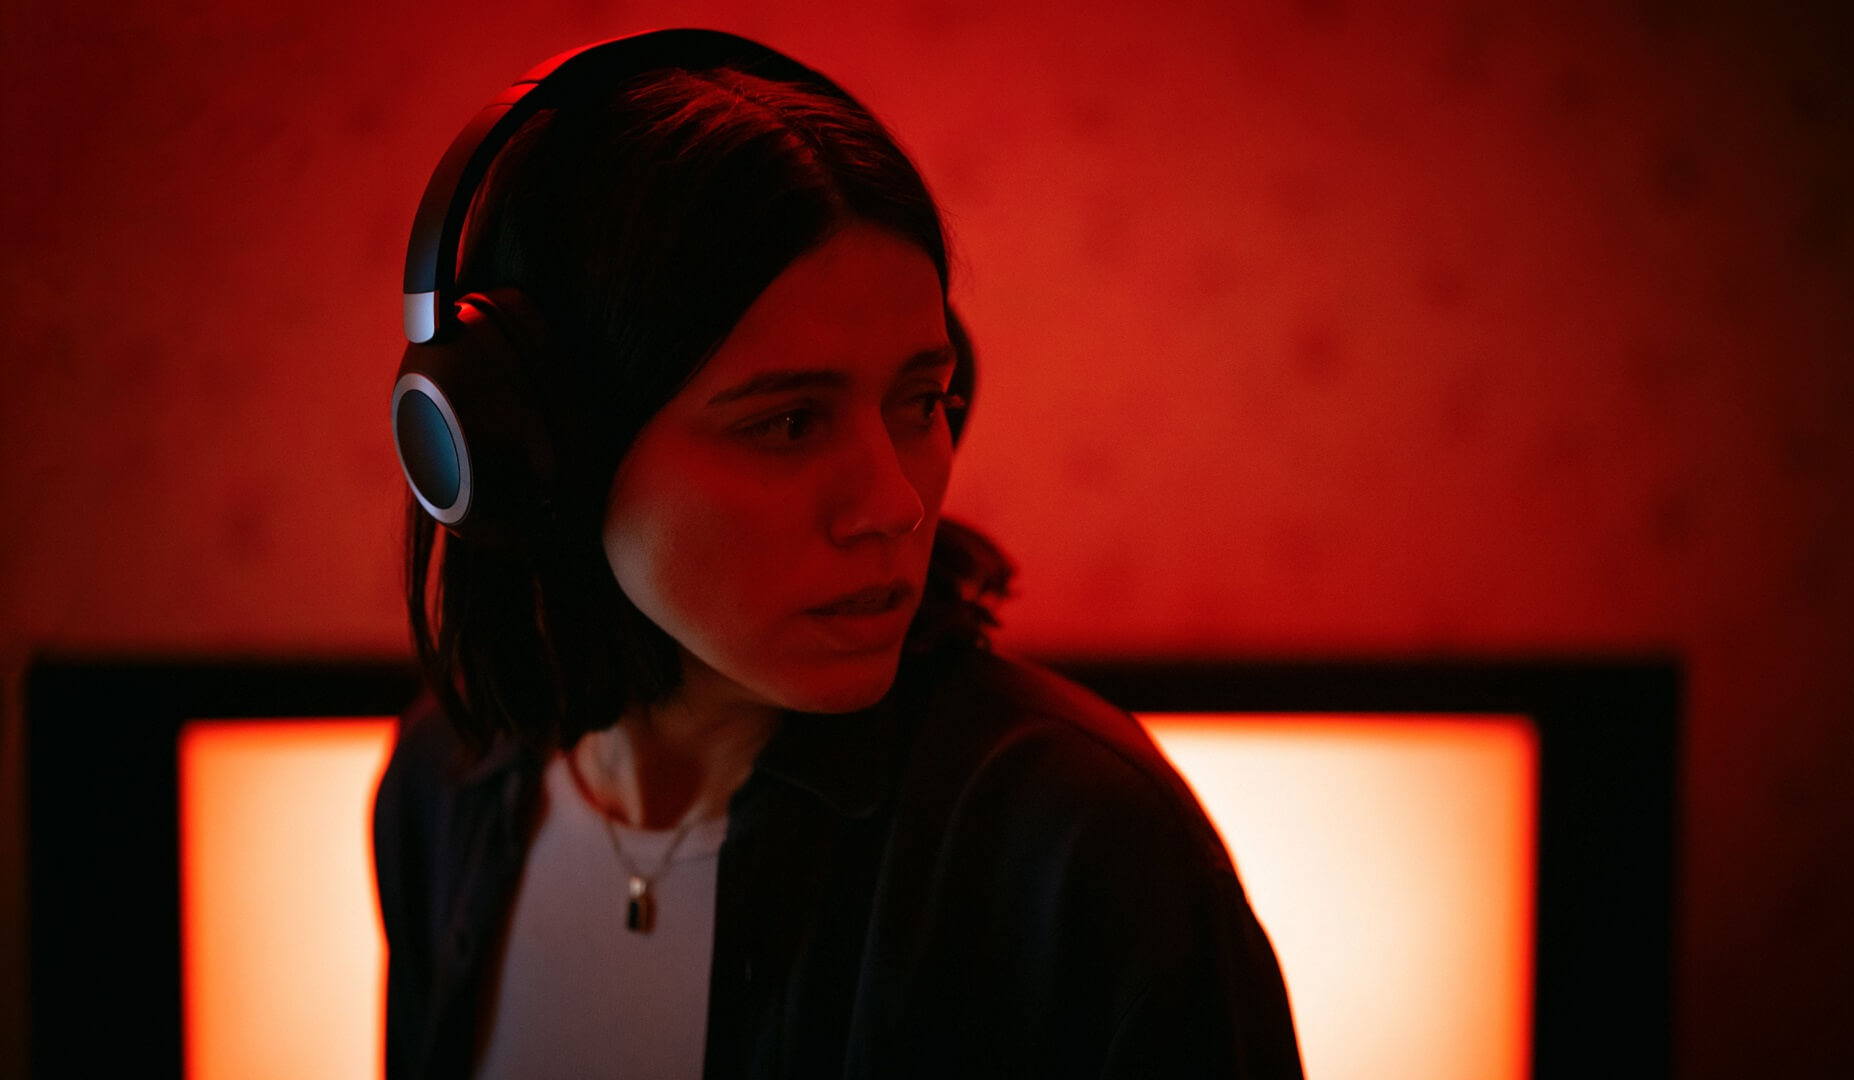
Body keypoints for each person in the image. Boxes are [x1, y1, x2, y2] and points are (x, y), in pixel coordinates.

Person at [374, 28, 1304, 1080]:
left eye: (920, 400)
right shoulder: (442, 784)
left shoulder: (1082, 845)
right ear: (535, 450)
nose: (896, 505)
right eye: (788, 423)